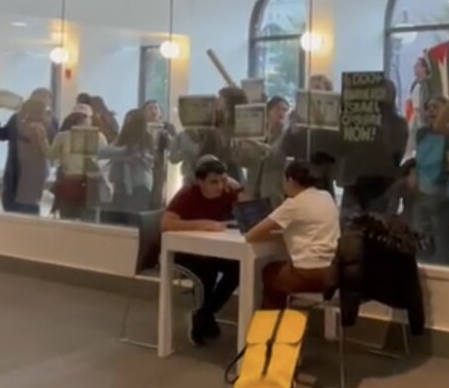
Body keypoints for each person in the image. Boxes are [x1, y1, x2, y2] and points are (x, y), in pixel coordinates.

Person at [161, 156, 244, 345]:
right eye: (213, 182)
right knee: (206, 275)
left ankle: (204, 314)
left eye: (222, 180)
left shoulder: (226, 192)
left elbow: (249, 207)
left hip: (212, 250)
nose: (219, 186)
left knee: (238, 268)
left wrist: (237, 186)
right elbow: (166, 223)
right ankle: (204, 318)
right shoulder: (188, 194)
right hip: (185, 253)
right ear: (200, 182)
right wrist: (203, 224)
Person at [248, 161, 341, 309]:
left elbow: (252, 235)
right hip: (333, 272)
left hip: (308, 274)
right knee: (280, 274)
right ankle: (284, 320)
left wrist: (279, 234)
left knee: (269, 272)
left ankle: (270, 325)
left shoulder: (293, 204)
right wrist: (287, 233)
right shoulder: (326, 196)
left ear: (290, 180)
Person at [339, 80, 409, 216]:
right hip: (354, 180)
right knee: (350, 228)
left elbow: (395, 153)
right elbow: (341, 146)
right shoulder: (353, 120)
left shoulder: (398, 123)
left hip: (381, 182)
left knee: (376, 228)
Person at [413, 90, 449, 266]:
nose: (431, 111)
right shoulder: (421, 134)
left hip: (445, 198)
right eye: (428, 108)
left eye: (436, 107)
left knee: (444, 253)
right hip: (422, 197)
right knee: (422, 250)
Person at [0, 87, 56, 214]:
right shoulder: (49, 121)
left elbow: (0, 134)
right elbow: (55, 146)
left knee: (14, 213)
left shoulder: (18, 118)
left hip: (16, 176)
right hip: (29, 178)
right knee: (29, 214)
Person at [48, 108, 109, 220]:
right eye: (77, 116)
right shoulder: (62, 136)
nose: (80, 119)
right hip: (70, 183)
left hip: (90, 185)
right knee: (68, 221)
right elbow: (52, 157)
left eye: (84, 116)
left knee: (89, 224)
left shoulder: (99, 137)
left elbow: (104, 161)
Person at [99, 109, 157, 224]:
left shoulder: (146, 139)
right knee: (118, 221)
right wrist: (125, 151)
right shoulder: (121, 139)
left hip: (139, 187)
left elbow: (149, 160)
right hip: (121, 186)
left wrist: (132, 154)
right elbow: (102, 152)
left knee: (134, 220)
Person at [3, 97, 54, 216]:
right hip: (33, 174)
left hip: (25, 175)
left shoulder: (24, 126)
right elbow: (48, 151)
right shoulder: (39, 128)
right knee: (30, 209)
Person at [240, 96, 292, 207]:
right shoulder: (257, 132)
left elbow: (275, 155)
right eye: (278, 108)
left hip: (273, 191)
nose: (282, 113)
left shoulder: (287, 135)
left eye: (285, 110)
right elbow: (243, 162)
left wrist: (254, 144)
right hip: (252, 188)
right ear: (268, 111)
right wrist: (241, 147)